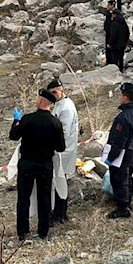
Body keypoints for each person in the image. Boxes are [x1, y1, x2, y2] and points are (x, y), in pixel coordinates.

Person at [9, 89, 66, 241]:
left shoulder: (27, 119)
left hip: (27, 164)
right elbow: (61, 147)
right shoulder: (56, 123)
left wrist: (16, 121)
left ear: (41, 101)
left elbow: (13, 136)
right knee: (44, 197)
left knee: (23, 198)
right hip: (45, 165)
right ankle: (43, 231)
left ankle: (22, 231)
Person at [104, 82, 133, 219]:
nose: (119, 97)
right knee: (128, 175)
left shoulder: (123, 118)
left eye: (121, 94)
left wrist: (111, 157)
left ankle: (122, 207)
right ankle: (128, 199)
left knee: (118, 178)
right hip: (132, 149)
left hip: (122, 152)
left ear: (125, 98)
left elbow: (118, 142)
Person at [47, 79, 79, 224]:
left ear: (62, 90)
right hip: (62, 148)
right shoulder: (59, 105)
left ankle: (60, 213)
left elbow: (63, 132)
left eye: (55, 92)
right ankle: (59, 211)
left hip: (63, 149)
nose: (53, 95)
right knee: (59, 180)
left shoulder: (65, 108)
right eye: (51, 93)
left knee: (59, 180)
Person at [103, 1, 115, 65]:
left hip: (111, 32)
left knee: (111, 46)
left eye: (109, 5)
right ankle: (108, 60)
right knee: (107, 47)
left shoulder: (115, 13)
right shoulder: (108, 12)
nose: (107, 6)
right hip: (108, 31)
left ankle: (112, 61)